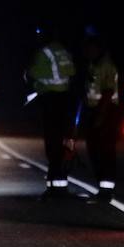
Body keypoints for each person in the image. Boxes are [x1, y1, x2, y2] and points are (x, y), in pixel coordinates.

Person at [25, 27, 76, 199]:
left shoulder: (44, 52)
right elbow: (72, 71)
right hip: (64, 98)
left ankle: (54, 186)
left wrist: (28, 73)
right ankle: (60, 184)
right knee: (62, 141)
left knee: (52, 142)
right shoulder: (63, 51)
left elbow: (34, 73)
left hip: (50, 98)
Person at [81, 33, 119, 204]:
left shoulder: (106, 65)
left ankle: (106, 190)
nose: (87, 52)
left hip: (106, 111)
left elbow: (108, 92)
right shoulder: (92, 64)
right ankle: (102, 187)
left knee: (104, 152)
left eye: (90, 49)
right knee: (94, 150)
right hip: (94, 110)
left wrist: (100, 116)